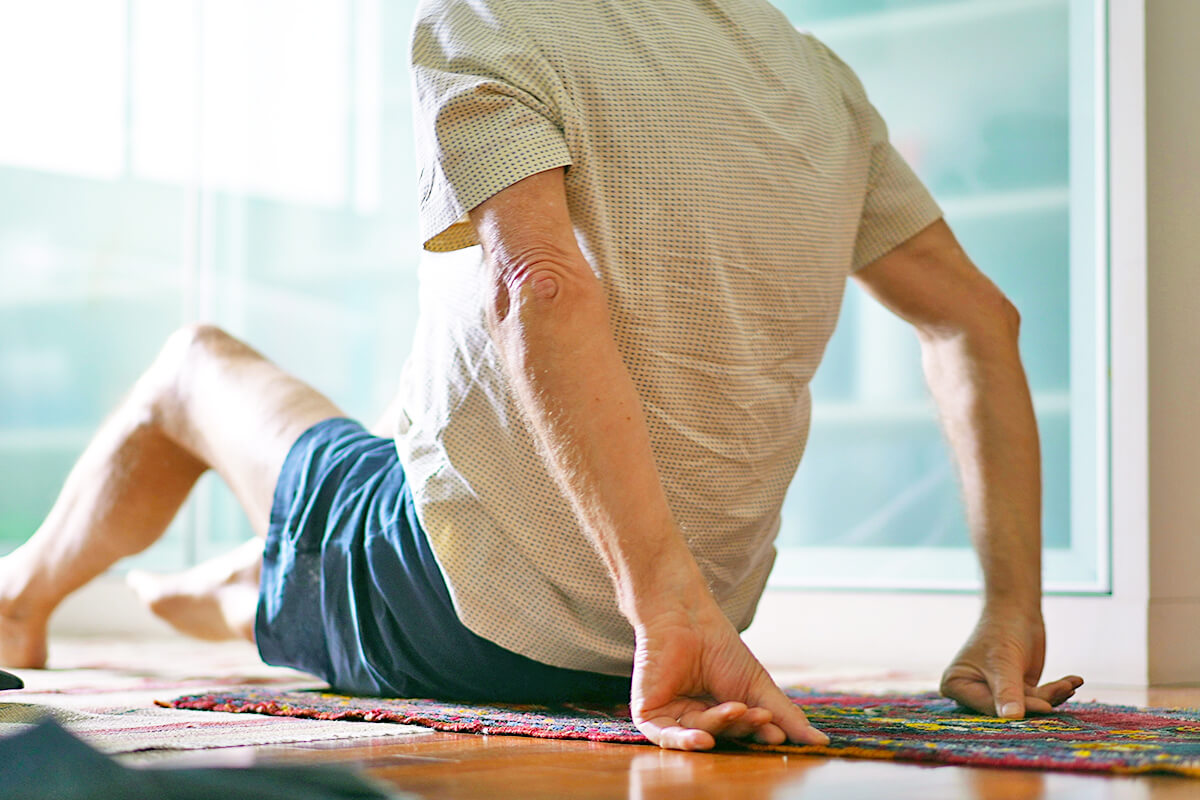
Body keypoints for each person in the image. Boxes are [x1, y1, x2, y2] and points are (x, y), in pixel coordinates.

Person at [0, 0, 1083, 750]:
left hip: (485, 615)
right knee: (334, 501)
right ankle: (237, 584)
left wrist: (666, 609)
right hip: (679, 634)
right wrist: (1009, 611)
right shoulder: (819, 80)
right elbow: (979, 323)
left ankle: (17, 599)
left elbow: (541, 287)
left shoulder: (493, 15)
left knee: (193, 367)